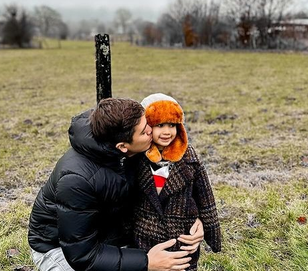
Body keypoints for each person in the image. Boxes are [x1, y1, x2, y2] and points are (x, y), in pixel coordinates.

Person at [28, 97, 203, 271]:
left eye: (148, 123)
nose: (152, 130)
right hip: (60, 249)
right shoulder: (77, 181)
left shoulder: (132, 140)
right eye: (144, 131)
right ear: (122, 147)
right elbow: (83, 256)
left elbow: (167, 188)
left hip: (110, 235)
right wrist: (147, 262)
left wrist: (193, 218)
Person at [132, 93, 222, 271]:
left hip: (182, 237)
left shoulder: (188, 157)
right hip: (145, 237)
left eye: (172, 125)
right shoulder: (137, 158)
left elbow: (205, 197)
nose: (167, 132)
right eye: (159, 125)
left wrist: (211, 232)